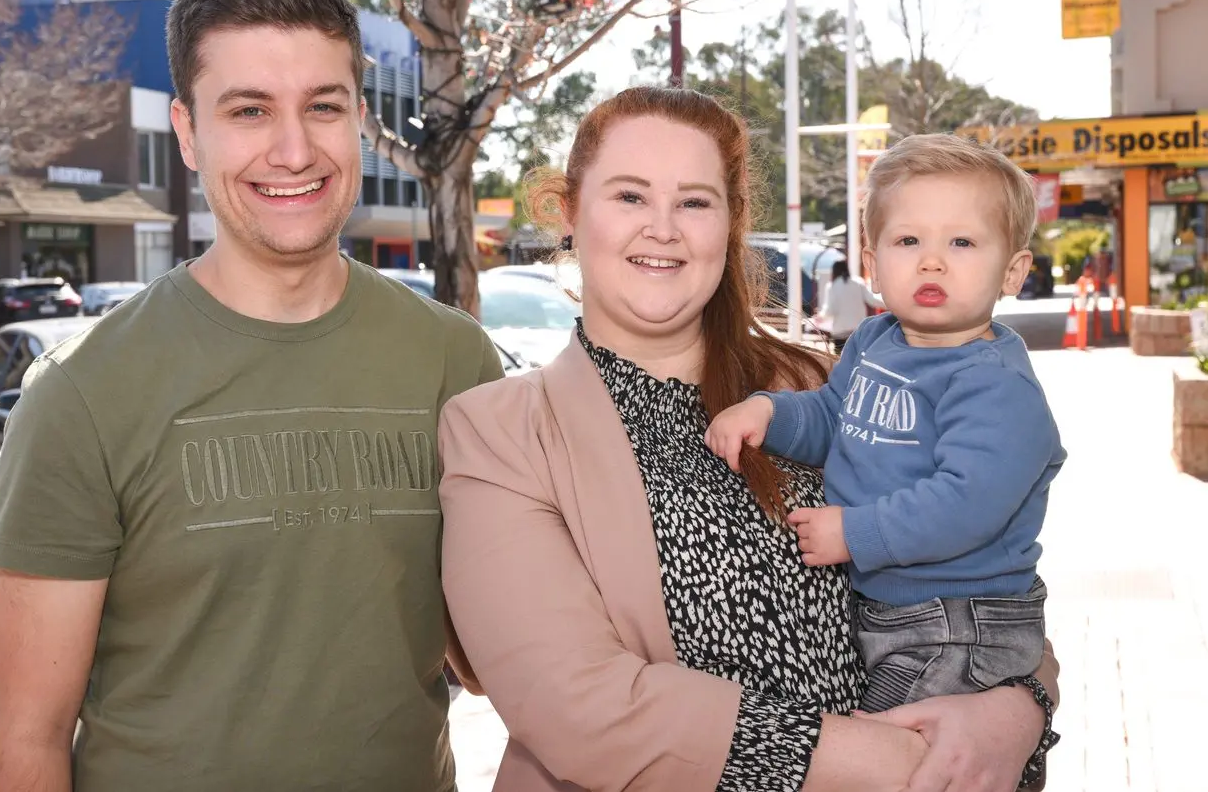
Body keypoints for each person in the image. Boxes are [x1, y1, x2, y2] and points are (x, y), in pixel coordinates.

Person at [0, 0, 502, 792]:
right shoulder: (82, 393)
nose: (293, 150)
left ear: (358, 119)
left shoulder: (456, 360)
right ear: (188, 133)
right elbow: (27, 741)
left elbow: (492, 656)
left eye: (322, 107)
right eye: (250, 109)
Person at [438, 88, 1059, 792]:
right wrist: (907, 765)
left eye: (696, 202)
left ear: (731, 223)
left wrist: (1018, 708)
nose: (664, 228)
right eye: (631, 197)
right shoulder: (498, 432)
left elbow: (981, 586)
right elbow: (579, 706)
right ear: (571, 214)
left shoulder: (824, 383)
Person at [707, 133, 1064, 719]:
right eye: (908, 240)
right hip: (893, 610)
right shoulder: (876, 342)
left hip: (962, 621)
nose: (932, 259)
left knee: (892, 746)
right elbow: (831, 416)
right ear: (872, 265)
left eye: (963, 242)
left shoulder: (995, 384)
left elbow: (966, 504)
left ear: (1013, 271)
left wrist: (856, 533)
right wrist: (769, 412)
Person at [817, 257, 878, 354]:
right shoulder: (858, 282)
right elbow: (872, 300)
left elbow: (830, 310)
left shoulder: (832, 286)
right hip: (858, 331)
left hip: (840, 332)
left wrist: (820, 316)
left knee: (841, 360)